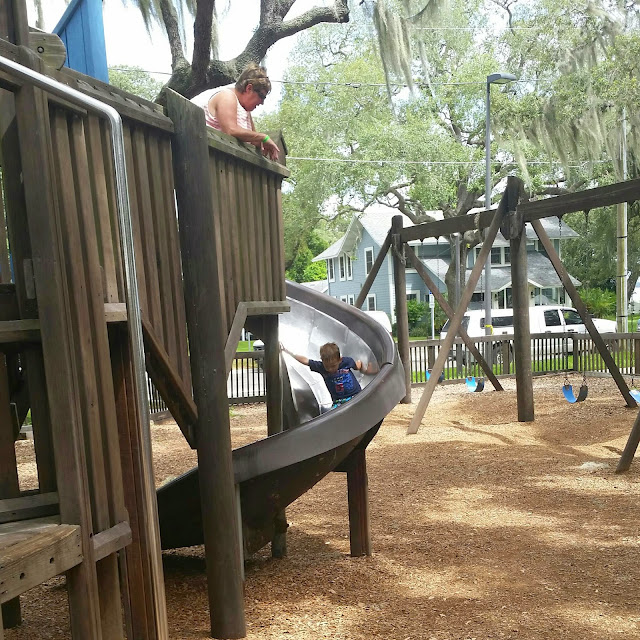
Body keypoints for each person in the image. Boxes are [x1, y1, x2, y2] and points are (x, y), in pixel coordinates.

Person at [204, 63, 280, 161]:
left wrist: (261, 143)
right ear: (249, 88)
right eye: (261, 96)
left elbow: (253, 139)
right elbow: (231, 131)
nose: (262, 102)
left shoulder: (245, 110)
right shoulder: (226, 96)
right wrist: (263, 137)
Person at [282, 342, 376, 409]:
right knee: (332, 418)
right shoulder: (321, 367)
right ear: (322, 361)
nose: (330, 369)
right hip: (338, 401)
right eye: (327, 366)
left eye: (333, 366)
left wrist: (365, 370)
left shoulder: (346, 362)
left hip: (355, 395)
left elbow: (357, 366)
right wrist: (288, 352)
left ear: (340, 360)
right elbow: (306, 361)